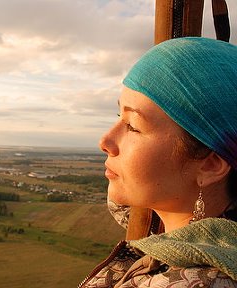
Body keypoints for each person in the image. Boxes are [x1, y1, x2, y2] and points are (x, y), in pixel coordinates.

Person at [78, 37, 237, 288]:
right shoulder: (158, 227)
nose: (105, 140)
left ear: (211, 164)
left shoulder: (199, 282)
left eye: (133, 126)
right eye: (120, 115)